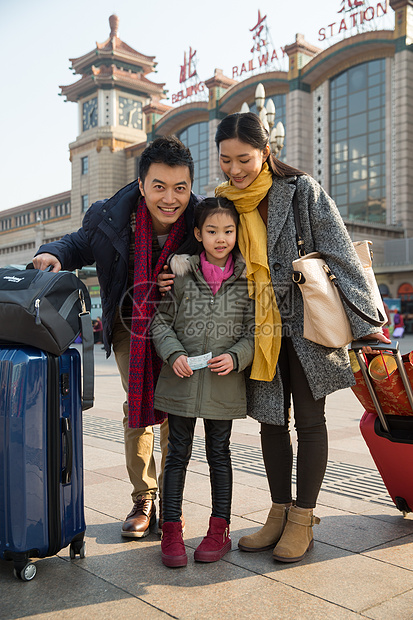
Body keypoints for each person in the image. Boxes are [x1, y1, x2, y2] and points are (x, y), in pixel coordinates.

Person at [162, 112, 390, 563]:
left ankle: (303, 518)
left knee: (308, 422)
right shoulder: (224, 202)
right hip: (257, 330)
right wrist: (175, 271)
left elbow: (341, 253)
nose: (235, 170)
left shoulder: (300, 190)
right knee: (270, 424)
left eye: (243, 159)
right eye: (226, 160)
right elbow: (205, 243)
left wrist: (369, 326)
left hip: (307, 325)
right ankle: (278, 512)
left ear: (266, 152)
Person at [32, 136, 202, 539]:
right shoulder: (110, 215)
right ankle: (144, 497)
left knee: (176, 409)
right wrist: (53, 252)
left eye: (180, 188)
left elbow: (225, 253)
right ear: (142, 185)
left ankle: (172, 501)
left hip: (184, 321)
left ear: (191, 186)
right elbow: (78, 243)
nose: (170, 199)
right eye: (159, 187)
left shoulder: (202, 217)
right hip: (131, 322)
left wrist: (188, 266)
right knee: (140, 402)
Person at [151, 197, 255, 567]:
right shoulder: (181, 276)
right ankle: (172, 529)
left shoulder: (246, 281)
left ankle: (219, 529)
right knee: (176, 454)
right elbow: (160, 322)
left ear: (237, 234)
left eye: (228, 231)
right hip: (181, 384)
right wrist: (175, 354)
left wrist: (238, 356)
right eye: (212, 231)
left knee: (219, 455)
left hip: (222, 388)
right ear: (198, 234)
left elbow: (254, 332)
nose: (221, 238)